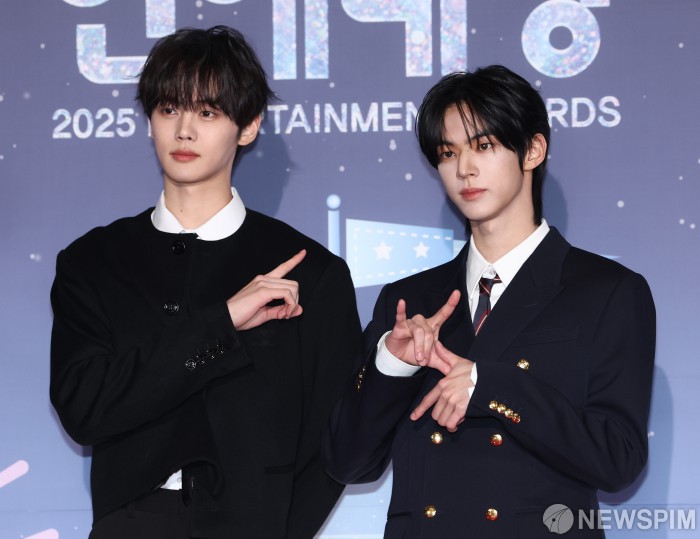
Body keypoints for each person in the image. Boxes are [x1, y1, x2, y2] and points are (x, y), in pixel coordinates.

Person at [50, 25, 361, 539]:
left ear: (248, 126)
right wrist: (223, 323)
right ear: (150, 120)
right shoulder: (94, 262)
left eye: (208, 112)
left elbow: (330, 441)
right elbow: (84, 408)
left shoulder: (309, 272)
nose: (184, 131)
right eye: (169, 109)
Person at [323, 65, 656, 538]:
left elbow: (618, 458)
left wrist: (491, 385)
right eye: (448, 153)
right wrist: (391, 368)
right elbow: (347, 464)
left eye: (484, 146)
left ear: (532, 150)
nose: (464, 168)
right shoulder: (409, 300)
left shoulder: (607, 290)